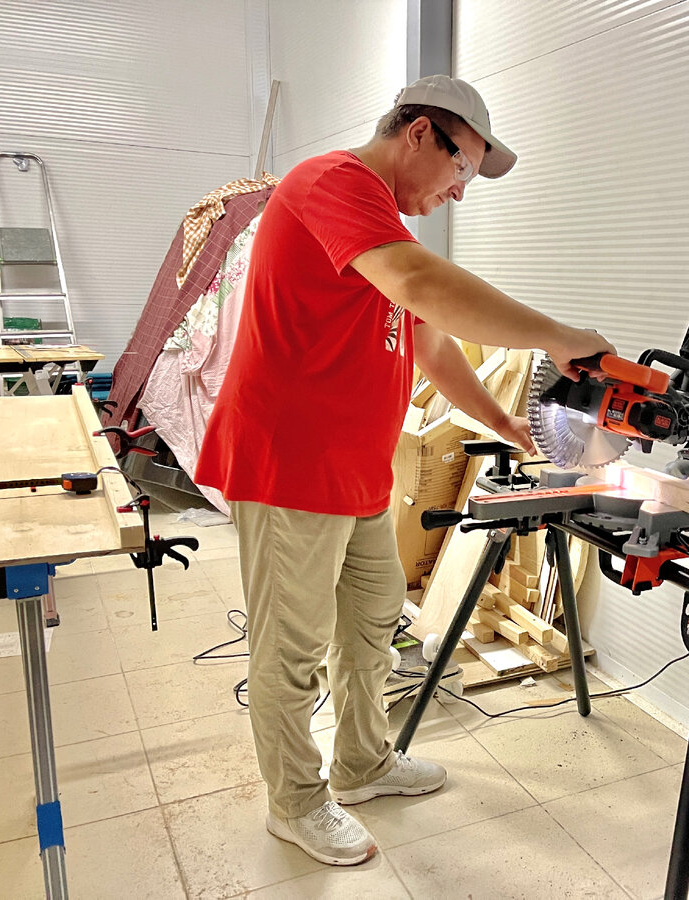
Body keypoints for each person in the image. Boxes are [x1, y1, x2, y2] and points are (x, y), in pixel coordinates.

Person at [195, 74, 615, 867]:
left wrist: (501, 423)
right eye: (462, 168)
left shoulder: (380, 229)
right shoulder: (331, 184)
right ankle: (295, 802)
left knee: (370, 624)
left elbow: (429, 338)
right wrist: (555, 336)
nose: (460, 192)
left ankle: (362, 763)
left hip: (353, 471)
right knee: (290, 650)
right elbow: (423, 286)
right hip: (289, 465)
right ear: (419, 132)